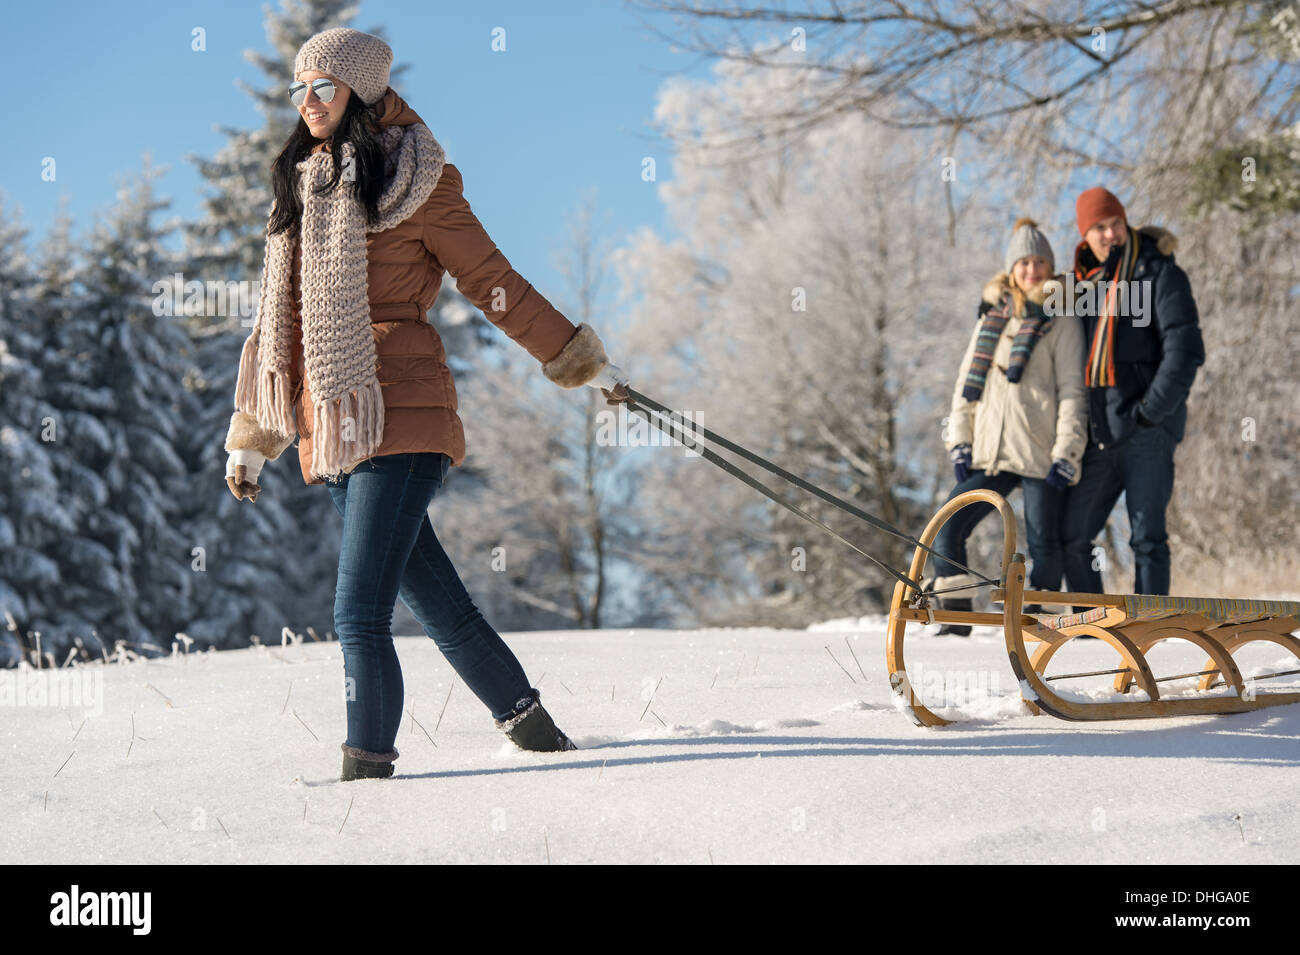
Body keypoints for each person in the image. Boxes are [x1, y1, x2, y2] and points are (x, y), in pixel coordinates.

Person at [222, 28, 630, 781]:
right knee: (441, 605)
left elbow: (492, 282)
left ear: (363, 90)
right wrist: (256, 431)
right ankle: (535, 731)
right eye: (299, 89)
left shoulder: (421, 180)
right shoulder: (304, 185)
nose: (309, 103)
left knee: (357, 614)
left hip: (401, 413)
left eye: (325, 86)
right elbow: (280, 322)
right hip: (333, 427)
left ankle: (367, 775)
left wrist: (574, 358)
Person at [933, 218, 1087, 635]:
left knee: (1043, 543)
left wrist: (1067, 452)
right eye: (1024, 262)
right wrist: (959, 442)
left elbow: (1074, 390)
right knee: (946, 526)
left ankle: (1041, 625)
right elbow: (966, 388)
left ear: (1050, 267)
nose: (1032, 270)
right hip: (991, 452)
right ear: (1011, 268)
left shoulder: (1062, 319)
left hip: (1040, 451)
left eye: (1039, 261)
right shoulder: (991, 319)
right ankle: (955, 620)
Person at [1060, 188, 1204, 598]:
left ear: (1126, 224)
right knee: (1072, 535)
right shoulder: (1082, 289)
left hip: (1146, 430)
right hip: (1102, 434)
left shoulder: (1160, 274)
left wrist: (1151, 412)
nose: (1110, 234)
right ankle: (1091, 633)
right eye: (1099, 227)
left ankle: (1150, 633)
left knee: (1146, 539)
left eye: (1115, 224)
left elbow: (1186, 349)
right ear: (1084, 235)